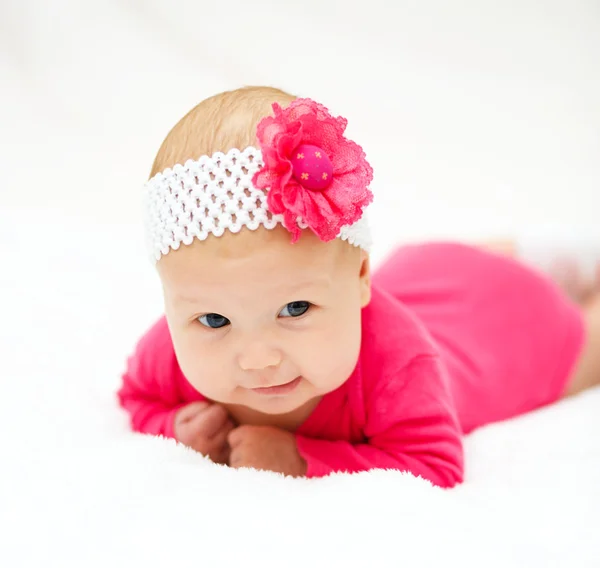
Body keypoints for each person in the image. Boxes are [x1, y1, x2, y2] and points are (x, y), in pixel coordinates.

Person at [117, 86, 600, 488]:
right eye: (215, 321)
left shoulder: (400, 364)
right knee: (434, 266)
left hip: (510, 327)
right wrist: (173, 428)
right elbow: (137, 396)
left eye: (296, 308)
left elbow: (435, 464)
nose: (259, 358)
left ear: (360, 279)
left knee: (585, 350)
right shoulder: (178, 339)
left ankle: (556, 265)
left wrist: (300, 459)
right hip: (430, 275)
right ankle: (542, 255)